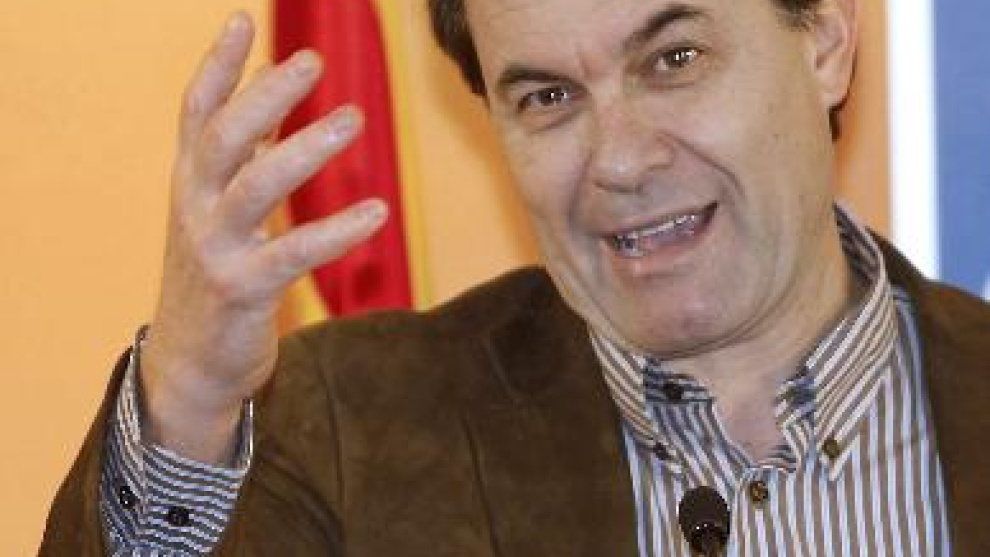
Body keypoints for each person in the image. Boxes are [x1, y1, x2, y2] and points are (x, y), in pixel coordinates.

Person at [41, 0, 990, 555]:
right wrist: (188, 400)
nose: (619, 160)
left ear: (825, 40)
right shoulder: (343, 427)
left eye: (674, 59)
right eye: (547, 97)